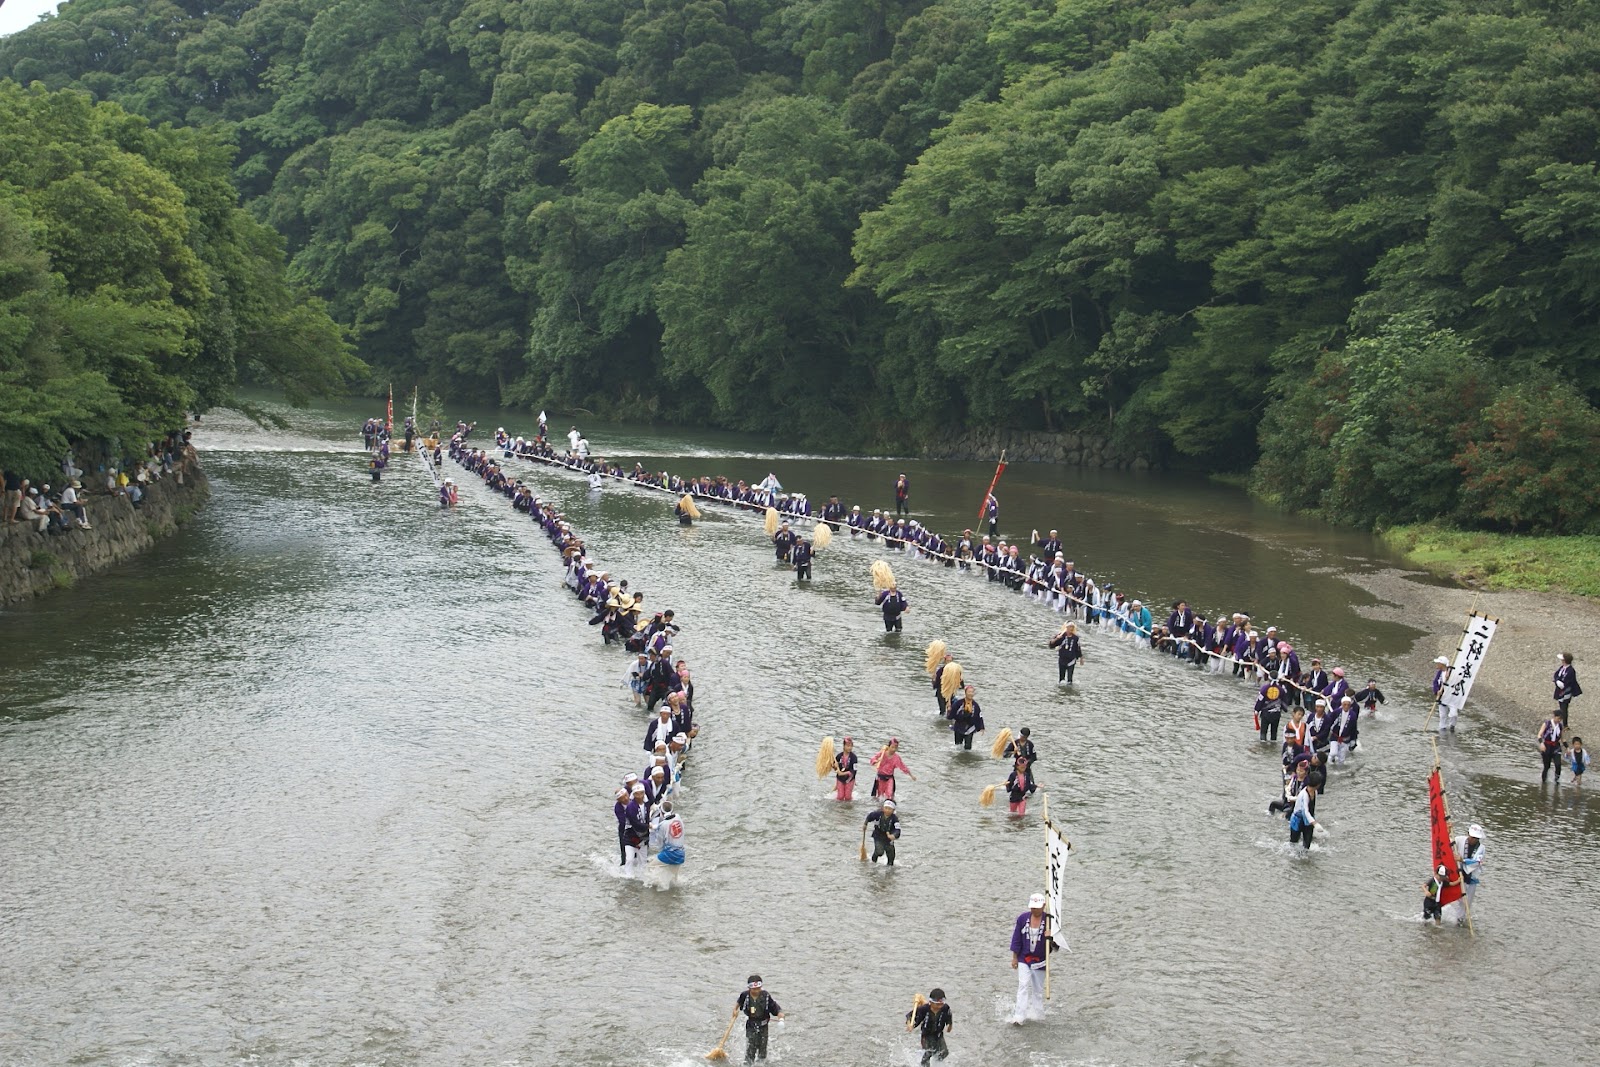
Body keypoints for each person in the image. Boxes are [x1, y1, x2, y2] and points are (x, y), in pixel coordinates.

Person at [1009, 893, 1050, 1024]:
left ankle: (1038, 1014)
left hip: (1040, 960)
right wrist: (1014, 957)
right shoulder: (1022, 919)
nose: (1034, 910)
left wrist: (1051, 936)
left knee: (1037, 990)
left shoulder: (1049, 921)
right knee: (1023, 986)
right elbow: (1016, 938)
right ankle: (1018, 1016)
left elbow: (1055, 946)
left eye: (1037, 908)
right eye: (1032, 907)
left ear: (1043, 906)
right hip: (1023, 958)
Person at [735, 975, 783, 1062]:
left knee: (762, 1050)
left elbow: (776, 1008)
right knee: (750, 1049)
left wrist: (780, 1016)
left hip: (763, 1026)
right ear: (749, 988)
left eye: (758, 988)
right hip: (751, 1025)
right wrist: (735, 1010)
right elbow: (739, 1002)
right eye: (754, 989)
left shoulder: (766, 996)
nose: (756, 991)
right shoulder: (745, 995)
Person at [906, 988, 953, 1065]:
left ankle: (936, 1063)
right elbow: (909, 1016)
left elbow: (949, 1016)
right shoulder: (924, 1009)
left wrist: (949, 1025)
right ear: (931, 1002)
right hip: (926, 1035)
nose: (939, 1006)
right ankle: (923, 1064)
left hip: (938, 1034)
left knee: (944, 1052)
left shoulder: (945, 1008)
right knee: (928, 1053)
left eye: (941, 1004)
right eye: (937, 1004)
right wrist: (909, 1024)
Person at [650, 800, 686, 889]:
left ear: (661, 812)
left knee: (650, 867)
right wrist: (655, 827)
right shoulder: (678, 817)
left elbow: (660, 845)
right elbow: (668, 823)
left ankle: (657, 886)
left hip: (669, 854)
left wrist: (654, 827)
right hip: (681, 854)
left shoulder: (662, 825)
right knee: (674, 880)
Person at [1453, 824, 1485, 918]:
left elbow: (1477, 861)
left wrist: (1462, 860)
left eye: (1476, 838)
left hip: (1471, 878)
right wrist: (1448, 829)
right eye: (1472, 837)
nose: (1473, 840)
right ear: (1468, 834)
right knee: (1456, 897)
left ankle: (1460, 920)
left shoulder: (1481, 848)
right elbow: (1449, 843)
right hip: (1459, 874)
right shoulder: (1460, 840)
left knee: (1467, 903)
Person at [949, 684, 984, 751]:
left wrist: (981, 727)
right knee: (958, 746)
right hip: (959, 726)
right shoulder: (959, 703)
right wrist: (950, 715)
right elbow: (952, 713)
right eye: (969, 692)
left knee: (968, 748)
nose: (971, 694)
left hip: (970, 728)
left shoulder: (975, 705)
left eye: (972, 692)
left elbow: (979, 716)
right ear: (965, 693)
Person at [866, 799, 901, 865]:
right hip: (878, 835)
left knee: (891, 856)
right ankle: (873, 860)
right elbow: (869, 817)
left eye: (889, 809)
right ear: (883, 808)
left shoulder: (894, 819)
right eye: (886, 808)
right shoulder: (877, 814)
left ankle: (889, 872)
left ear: (893, 810)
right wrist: (865, 824)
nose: (887, 810)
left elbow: (898, 829)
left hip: (888, 838)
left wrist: (894, 835)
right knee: (879, 852)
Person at [1554, 653, 1581, 727]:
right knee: (1561, 706)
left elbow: (1569, 681)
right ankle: (1562, 722)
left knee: (1564, 707)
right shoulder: (1562, 668)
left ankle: (1565, 724)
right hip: (1560, 691)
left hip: (1566, 692)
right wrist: (1557, 681)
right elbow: (1556, 674)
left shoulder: (1571, 671)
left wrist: (1562, 684)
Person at [1289, 784, 1318, 850]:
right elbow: (1305, 811)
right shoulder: (1304, 794)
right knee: (1293, 844)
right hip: (1297, 820)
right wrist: (1314, 823)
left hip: (1308, 821)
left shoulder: (1315, 792)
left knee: (1307, 846)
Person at [1538, 712, 1564, 784]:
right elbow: (1539, 735)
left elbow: (1562, 738)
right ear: (1554, 717)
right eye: (1558, 718)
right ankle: (1544, 782)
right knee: (1547, 766)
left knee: (1558, 765)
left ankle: (1557, 780)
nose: (1559, 720)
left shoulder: (1560, 726)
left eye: (1560, 719)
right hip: (1547, 746)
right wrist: (1541, 743)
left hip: (1556, 746)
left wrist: (1567, 747)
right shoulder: (1547, 723)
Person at [833, 736, 858, 801]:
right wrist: (835, 767)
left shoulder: (854, 757)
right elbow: (835, 766)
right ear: (844, 746)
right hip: (840, 779)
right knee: (840, 797)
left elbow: (854, 770)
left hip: (850, 779)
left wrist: (844, 773)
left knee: (847, 798)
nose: (849, 748)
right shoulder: (839, 756)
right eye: (847, 746)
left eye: (851, 746)